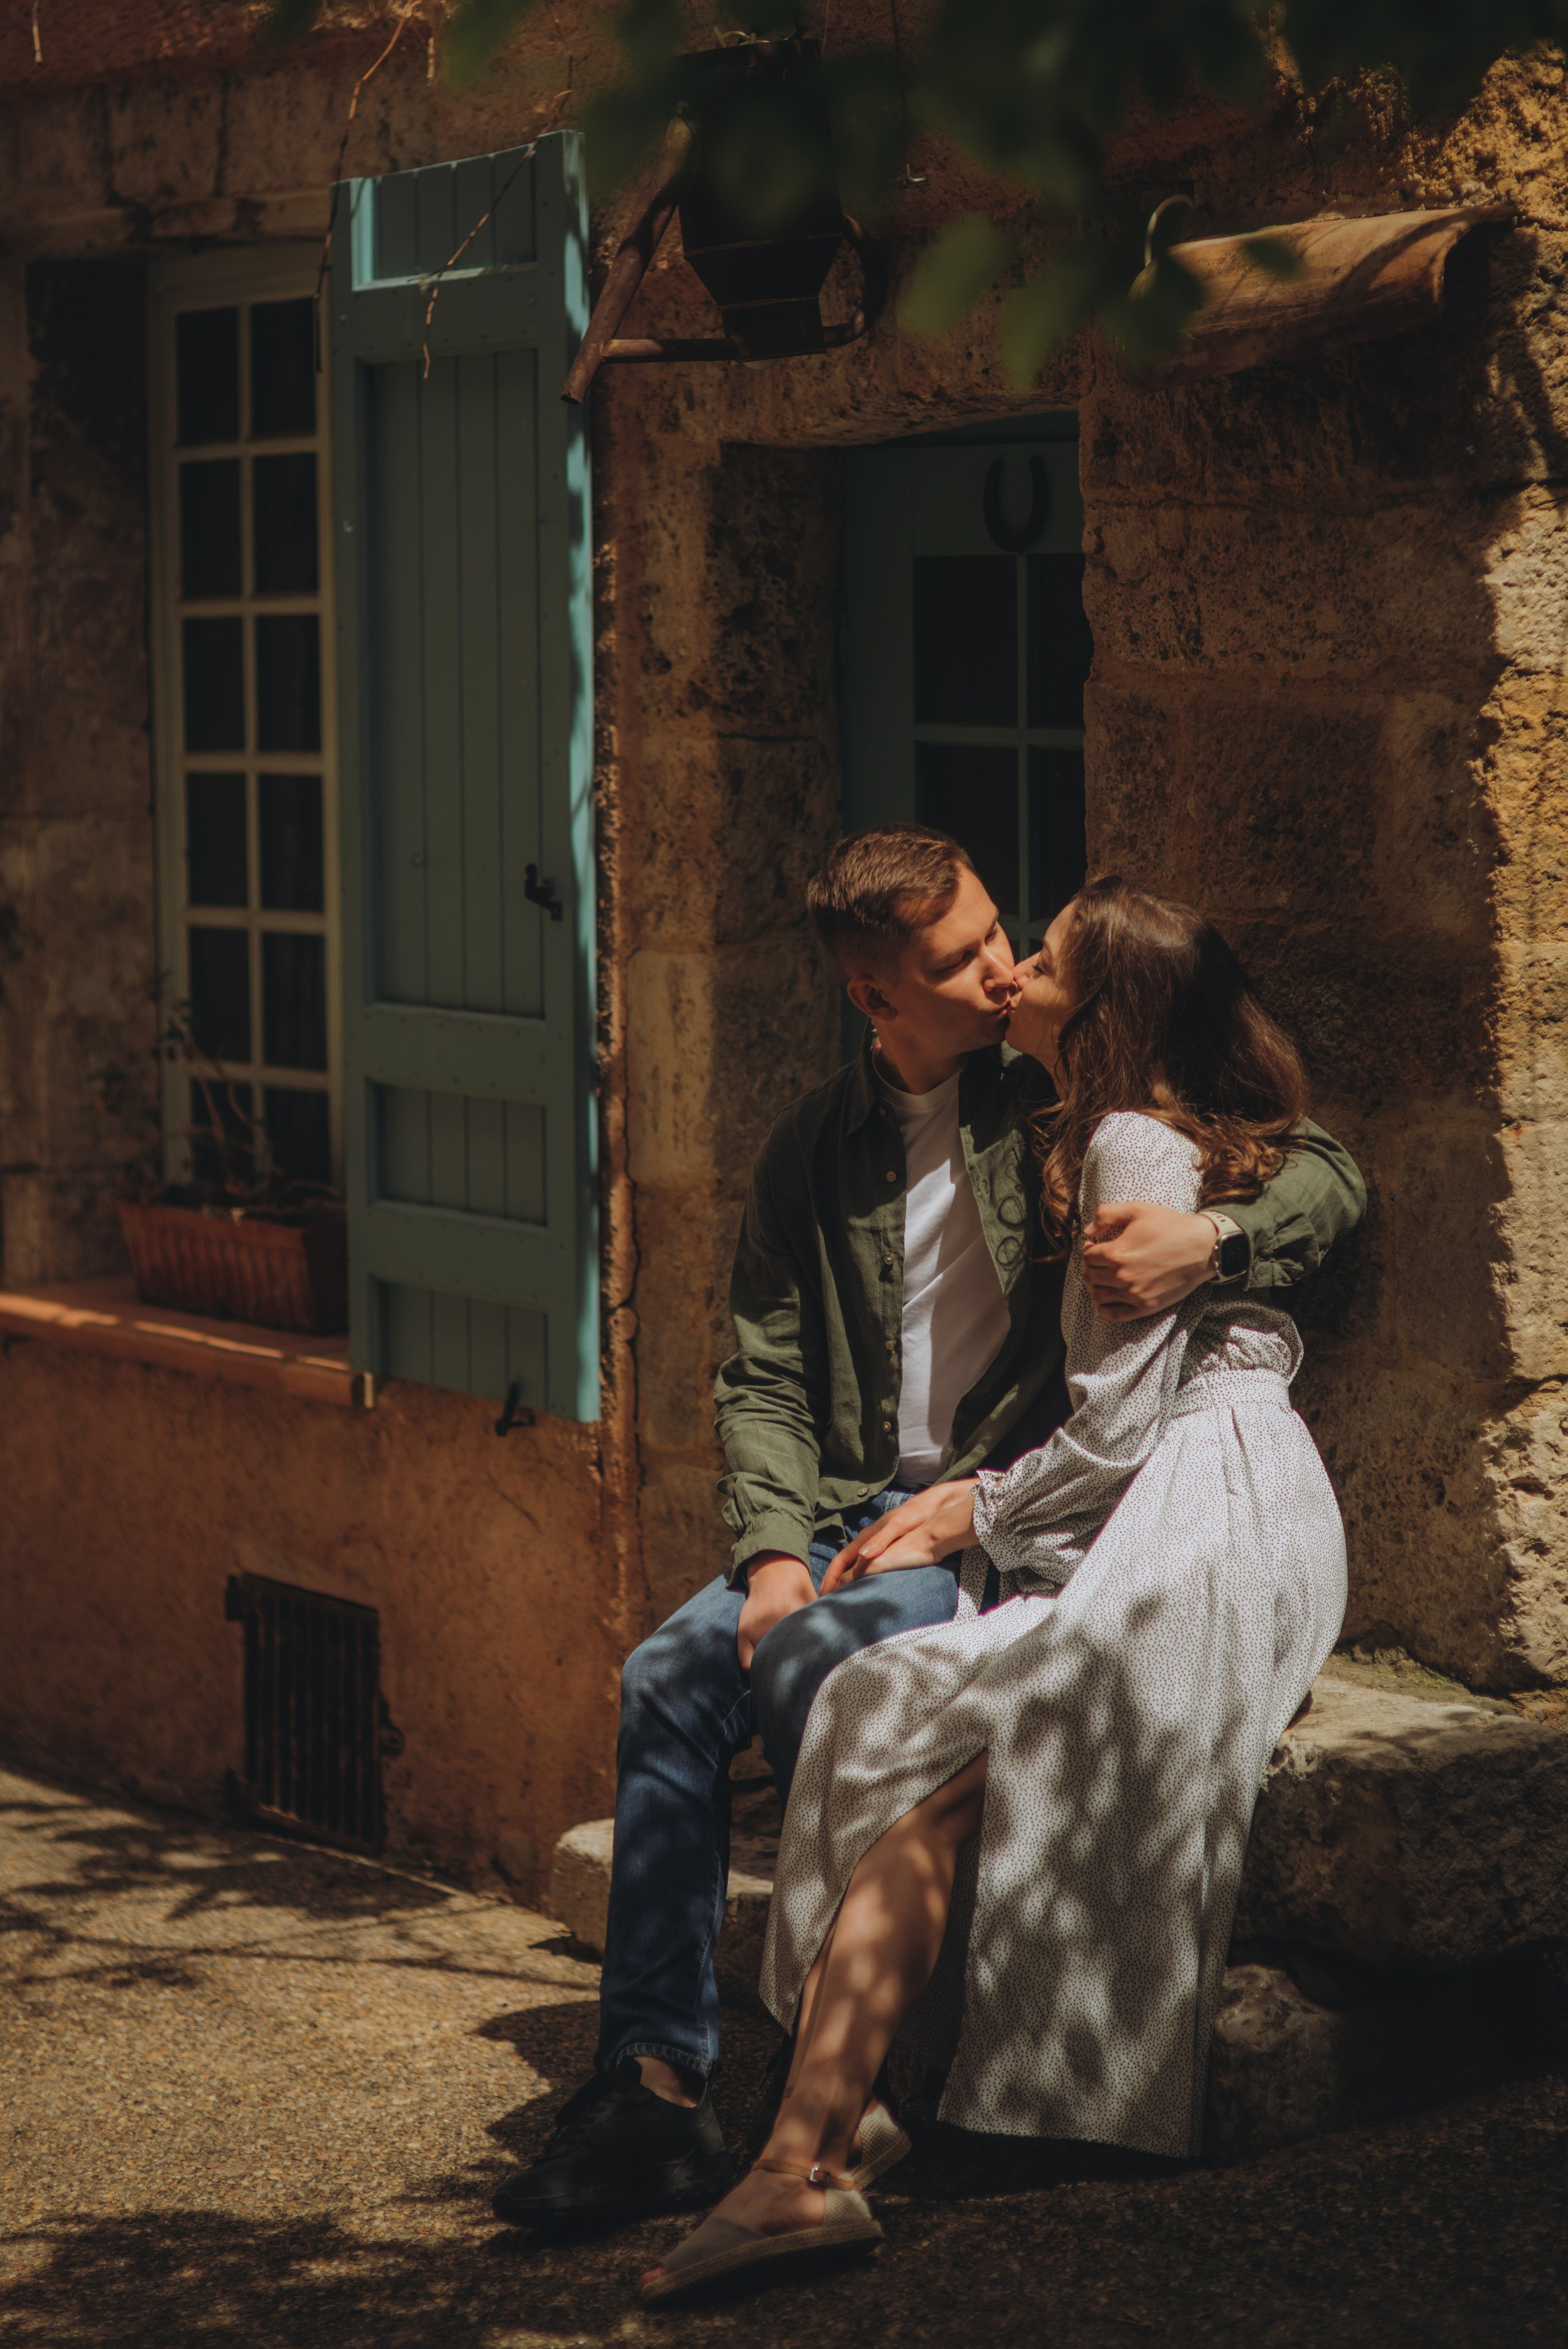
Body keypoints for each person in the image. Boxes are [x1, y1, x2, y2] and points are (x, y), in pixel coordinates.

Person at [492, 833, 1364, 2231]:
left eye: (998, 933)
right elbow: (759, 1374)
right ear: (873, 997)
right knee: (667, 1676)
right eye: (959, 959)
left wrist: (1215, 1248)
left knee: (811, 1670)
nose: (1001, 962)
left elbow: (1315, 1168)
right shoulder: (806, 1151)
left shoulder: (1054, 1105)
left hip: (972, 1514)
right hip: (833, 1516)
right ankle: (648, 2092)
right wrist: (769, 1551)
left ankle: (828, 2077)